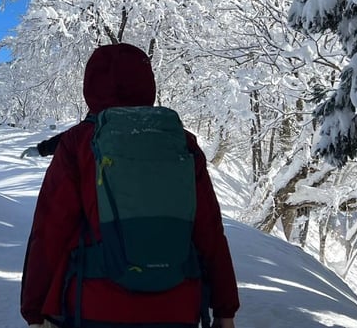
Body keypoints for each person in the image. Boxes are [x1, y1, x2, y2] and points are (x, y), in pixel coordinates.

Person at [21, 43, 240, 328]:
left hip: (92, 306)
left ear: (91, 87)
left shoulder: (78, 143)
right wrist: (225, 309)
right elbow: (209, 229)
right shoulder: (181, 142)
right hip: (177, 307)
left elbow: (50, 229)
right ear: (148, 84)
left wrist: (34, 310)